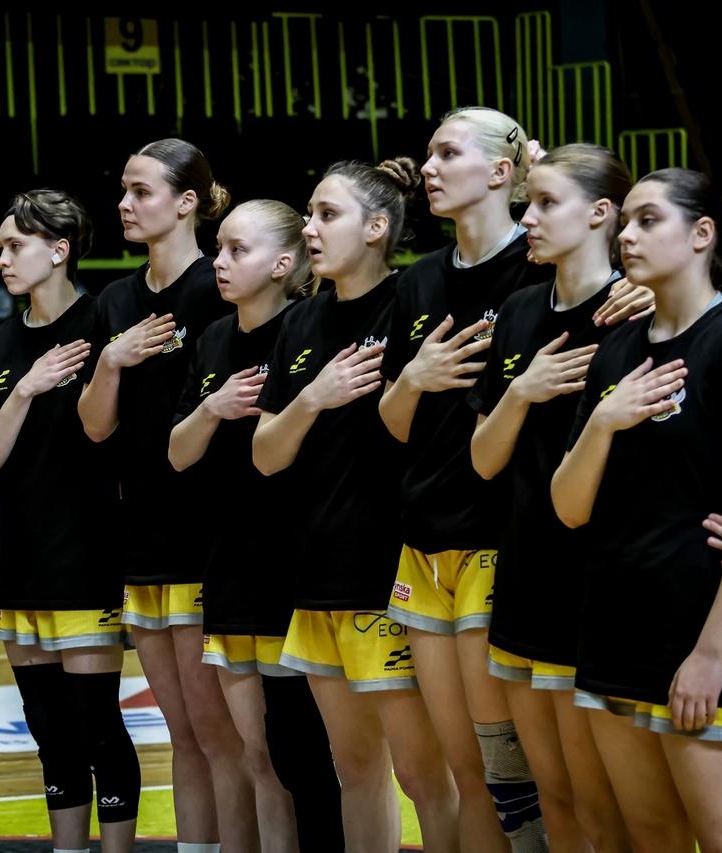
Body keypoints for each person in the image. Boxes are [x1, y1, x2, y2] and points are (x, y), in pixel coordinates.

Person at [377, 108, 651, 853]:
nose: (428, 167)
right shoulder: (425, 282)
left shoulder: (545, 272)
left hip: (510, 546)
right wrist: (418, 378)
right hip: (432, 539)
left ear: (503, 172)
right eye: (428, 153)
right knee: (482, 774)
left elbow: (606, 249)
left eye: (447, 152)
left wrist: (646, 285)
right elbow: (402, 425)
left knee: (548, 785)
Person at [551, 168, 722, 853]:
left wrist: (710, 656)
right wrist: (606, 419)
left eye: (647, 220)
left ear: (702, 233)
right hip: (612, 633)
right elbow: (569, 506)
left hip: (698, 637)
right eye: (624, 220)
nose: (625, 234)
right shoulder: (618, 349)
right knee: (650, 834)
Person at [251, 159, 458, 853]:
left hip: (390, 573)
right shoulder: (301, 321)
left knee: (424, 774)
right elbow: (266, 454)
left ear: (377, 228)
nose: (309, 228)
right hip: (315, 576)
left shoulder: (412, 299)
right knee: (356, 769)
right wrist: (314, 396)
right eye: (308, 214)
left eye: (327, 214)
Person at [78, 139, 254, 852]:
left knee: (219, 733)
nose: (125, 204)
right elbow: (96, 427)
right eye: (123, 190)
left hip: (208, 534)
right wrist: (111, 360)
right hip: (141, 532)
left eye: (141, 191)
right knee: (182, 734)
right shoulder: (116, 301)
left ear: (187, 203)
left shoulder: (220, 288)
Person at [467, 144, 636, 853]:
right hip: (524, 578)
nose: (527, 218)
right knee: (554, 794)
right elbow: (483, 459)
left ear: (600, 213)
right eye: (526, 203)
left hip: (598, 584)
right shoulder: (519, 309)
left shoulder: (636, 308)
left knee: (605, 806)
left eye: (545, 203)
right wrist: (522, 390)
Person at [0, 189, 140, 853]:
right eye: (1, 247)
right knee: (48, 729)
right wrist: (26, 388)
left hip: (90, 555)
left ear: (59, 250)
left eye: (16, 245)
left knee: (98, 726)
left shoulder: (103, 321)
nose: (2, 259)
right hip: (24, 557)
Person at [168, 199, 341, 853]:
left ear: (283, 263)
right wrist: (212, 406)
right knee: (260, 754)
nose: (220, 262)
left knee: (309, 755)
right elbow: (177, 453)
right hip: (228, 565)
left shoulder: (309, 329)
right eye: (219, 248)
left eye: (237, 250)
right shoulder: (213, 339)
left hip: (296, 568)